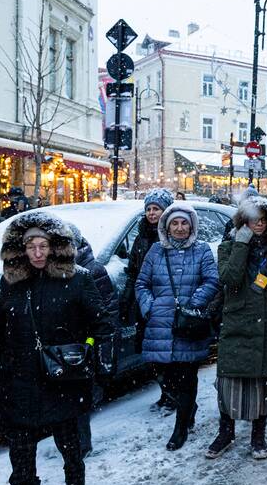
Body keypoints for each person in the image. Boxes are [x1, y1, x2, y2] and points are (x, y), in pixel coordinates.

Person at [0, 212, 114, 485]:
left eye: (44, 246)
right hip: (19, 376)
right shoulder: (11, 281)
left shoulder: (77, 278)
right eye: (31, 246)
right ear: (21, 249)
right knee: (20, 446)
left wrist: (89, 353)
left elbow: (102, 325)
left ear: (55, 247)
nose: (38, 253)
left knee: (68, 439)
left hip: (61, 376)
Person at [212, 197, 267, 459]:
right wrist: (241, 244)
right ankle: (226, 432)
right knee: (230, 381)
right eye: (253, 219)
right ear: (243, 221)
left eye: (263, 219)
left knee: (263, 382)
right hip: (238, 322)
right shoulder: (228, 247)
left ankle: (258, 436)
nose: (258, 224)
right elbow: (230, 279)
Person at [135, 201, 219, 451]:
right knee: (165, 377)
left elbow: (212, 281)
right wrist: (149, 307)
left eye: (184, 223)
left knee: (187, 376)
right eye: (175, 223)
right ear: (166, 226)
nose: (180, 228)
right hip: (160, 324)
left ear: (191, 225)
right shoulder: (155, 251)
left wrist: (194, 304)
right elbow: (142, 283)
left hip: (189, 324)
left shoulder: (202, 250)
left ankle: (180, 427)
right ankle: (187, 406)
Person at [69, 222, 120, 458]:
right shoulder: (53, 269)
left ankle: (81, 445)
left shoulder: (92, 270)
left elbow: (107, 312)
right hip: (67, 344)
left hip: (86, 344)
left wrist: (101, 347)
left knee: (80, 397)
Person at [122, 189, 174, 413]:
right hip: (146, 303)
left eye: (157, 209)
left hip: (167, 303)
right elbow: (134, 271)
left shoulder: (174, 233)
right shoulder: (141, 236)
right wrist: (127, 300)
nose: (152, 213)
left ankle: (173, 395)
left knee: (169, 352)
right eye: (149, 209)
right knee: (152, 352)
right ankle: (165, 392)